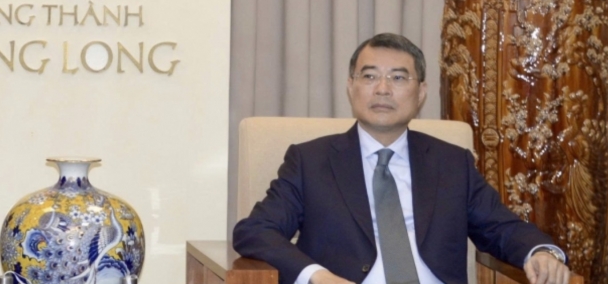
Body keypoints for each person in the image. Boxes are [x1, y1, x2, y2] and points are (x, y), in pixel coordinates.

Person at [232, 33, 571, 284]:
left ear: (421, 92)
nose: (382, 89)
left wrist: (541, 252)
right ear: (351, 87)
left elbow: (501, 228)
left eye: (398, 77)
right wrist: (317, 276)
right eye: (369, 76)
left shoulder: (452, 163)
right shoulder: (310, 161)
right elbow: (255, 231)